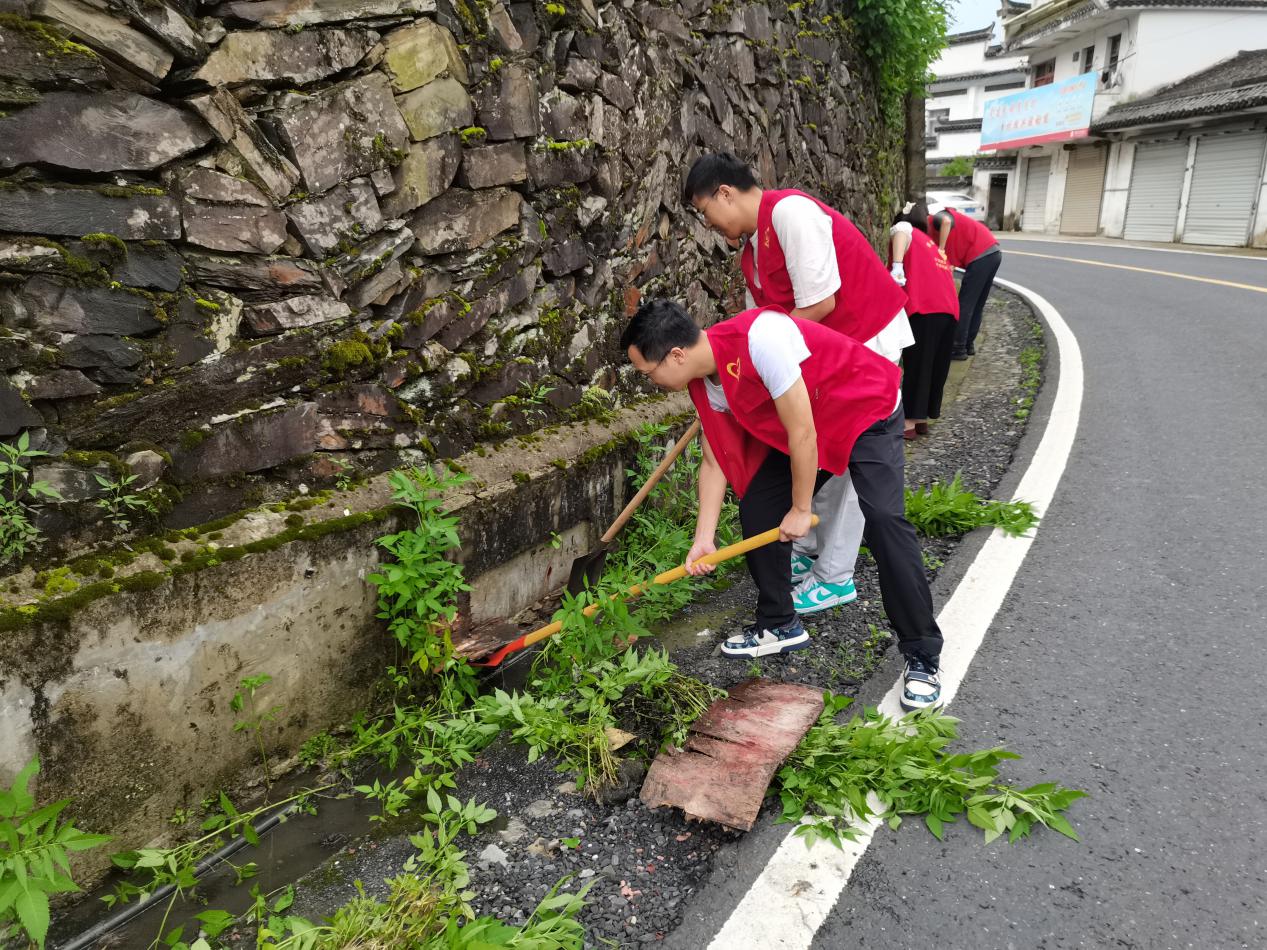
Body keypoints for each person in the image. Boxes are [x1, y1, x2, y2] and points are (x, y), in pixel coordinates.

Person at [621, 298, 945, 712]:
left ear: (677, 355)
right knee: (757, 505)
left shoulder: (761, 341)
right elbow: (715, 458)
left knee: (883, 521)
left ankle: (922, 655)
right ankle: (778, 623)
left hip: (866, 410)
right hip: (813, 425)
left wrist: (800, 507)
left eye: (648, 374)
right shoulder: (705, 380)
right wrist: (704, 539)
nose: (652, 383)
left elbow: (803, 434)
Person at [682, 152, 910, 618]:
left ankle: (835, 576)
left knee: (851, 457)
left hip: (867, 341)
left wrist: (756, 364)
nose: (710, 224)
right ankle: (810, 546)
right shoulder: (751, 254)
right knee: (816, 444)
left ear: (725, 193)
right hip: (820, 358)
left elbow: (819, 304)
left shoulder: (790, 213)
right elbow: (758, 325)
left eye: (706, 212)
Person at [889, 202, 960, 440]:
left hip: (925, 308)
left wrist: (897, 266)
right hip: (949, 310)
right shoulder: (931, 244)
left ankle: (908, 422)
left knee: (917, 365)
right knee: (934, 367)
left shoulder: (906, 231)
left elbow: (900, 230)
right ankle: (922, 420)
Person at [925, 200, 1001, 360]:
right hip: (993, 253)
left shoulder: (936, 219)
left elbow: (946, 221)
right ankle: (968, 345)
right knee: (976, 304)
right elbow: (948, 267)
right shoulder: (933, 236)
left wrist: (941, 250)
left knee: (965, 304)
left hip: (980, 254)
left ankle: (958, 348)